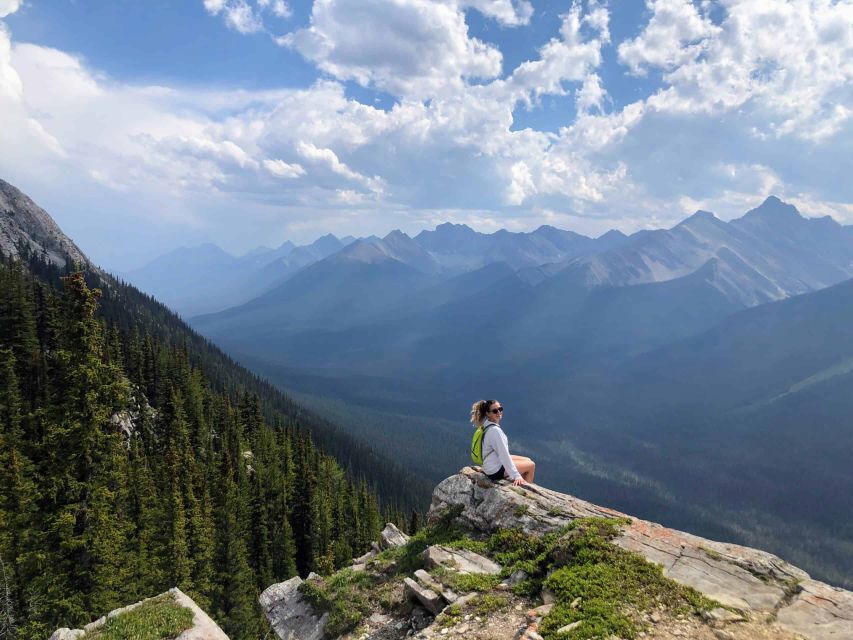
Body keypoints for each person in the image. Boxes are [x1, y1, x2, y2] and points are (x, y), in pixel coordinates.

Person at [470, 399, 535, 486]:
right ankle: (525, 490)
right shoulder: (495, 431)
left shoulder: (486, 425)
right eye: (495, 411)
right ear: (487, 413)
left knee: (527, 460)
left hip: (489, 464)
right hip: (495, 470)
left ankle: (520, 482)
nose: (499, 412)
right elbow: (504, 455)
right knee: (531, 465)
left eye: (500, 409)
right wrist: (516, 475)